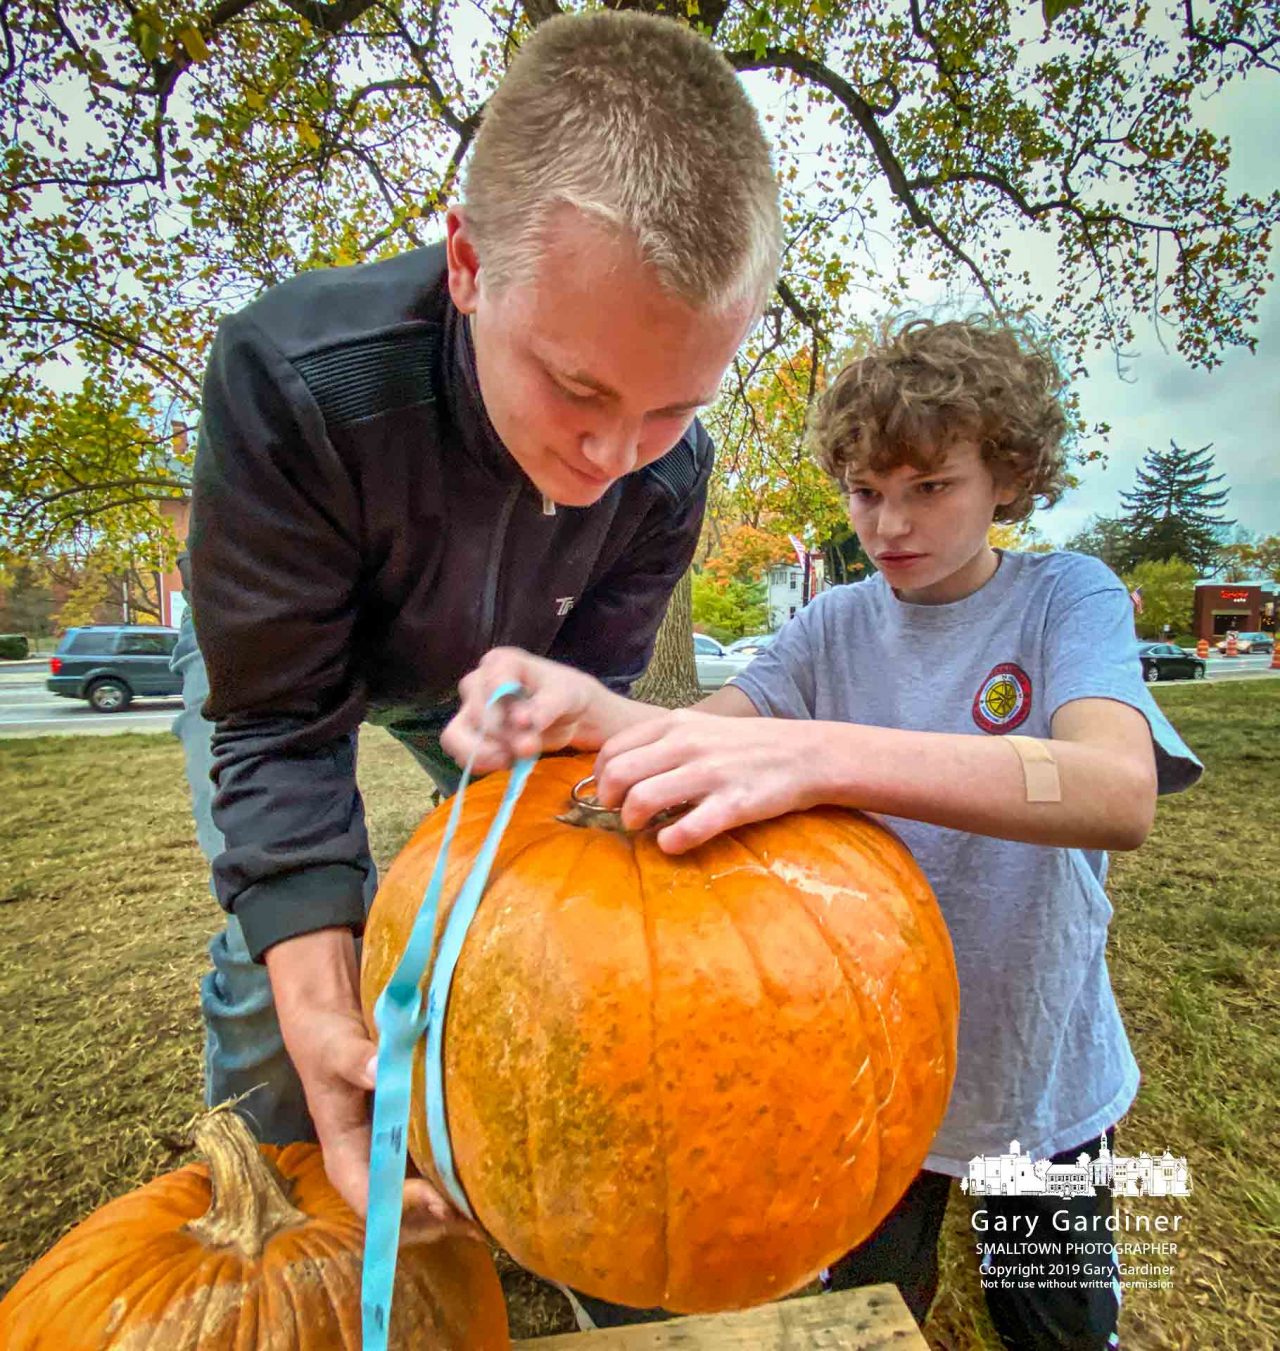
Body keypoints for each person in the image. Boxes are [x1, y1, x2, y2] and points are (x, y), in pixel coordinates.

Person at [443, 315, 1203, 1346]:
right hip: (873, 1068)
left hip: (1037, 1065)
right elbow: (699, 738)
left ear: (1008, 476)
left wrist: (819, 755)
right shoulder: (831, 623)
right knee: (878, 1306)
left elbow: (1117, 792)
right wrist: (583, 708)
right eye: (863, 491)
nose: (888, 522)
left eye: (928, 486)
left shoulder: (1063, 597)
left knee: (1053, 1317)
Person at [172, 7, 781, 1247]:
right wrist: (313, 968)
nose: (613, 458)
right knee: (277, 945)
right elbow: (280, 725)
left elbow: (575, 711)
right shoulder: (289, 377)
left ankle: (512, 1160)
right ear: (465, 262)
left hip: (487, 677)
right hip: (289, 666)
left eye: (672, 405)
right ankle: (282, 1219)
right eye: (577, 386)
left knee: (509, 909)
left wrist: (540, 748)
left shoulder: (667, 478)